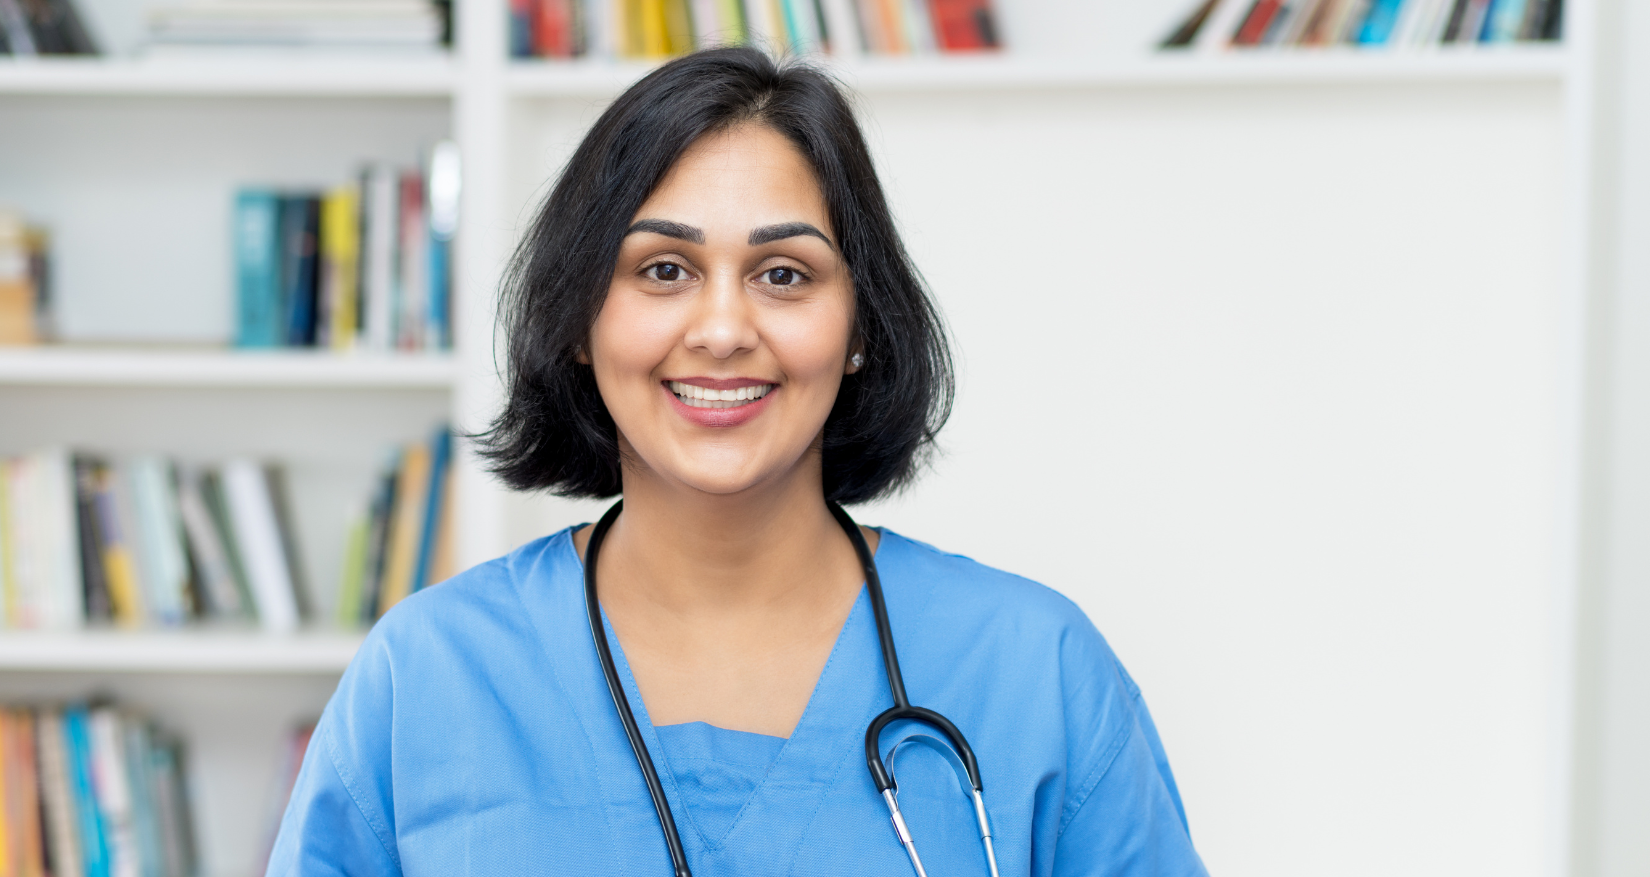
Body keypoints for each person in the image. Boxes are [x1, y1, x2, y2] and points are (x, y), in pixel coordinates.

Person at [266, 47, 1207, 877]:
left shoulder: (1035, 671)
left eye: (784, 274)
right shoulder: (427, 677)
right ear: (582, 320)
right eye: (663, 270)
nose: (722, 330)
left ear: (859, 332)